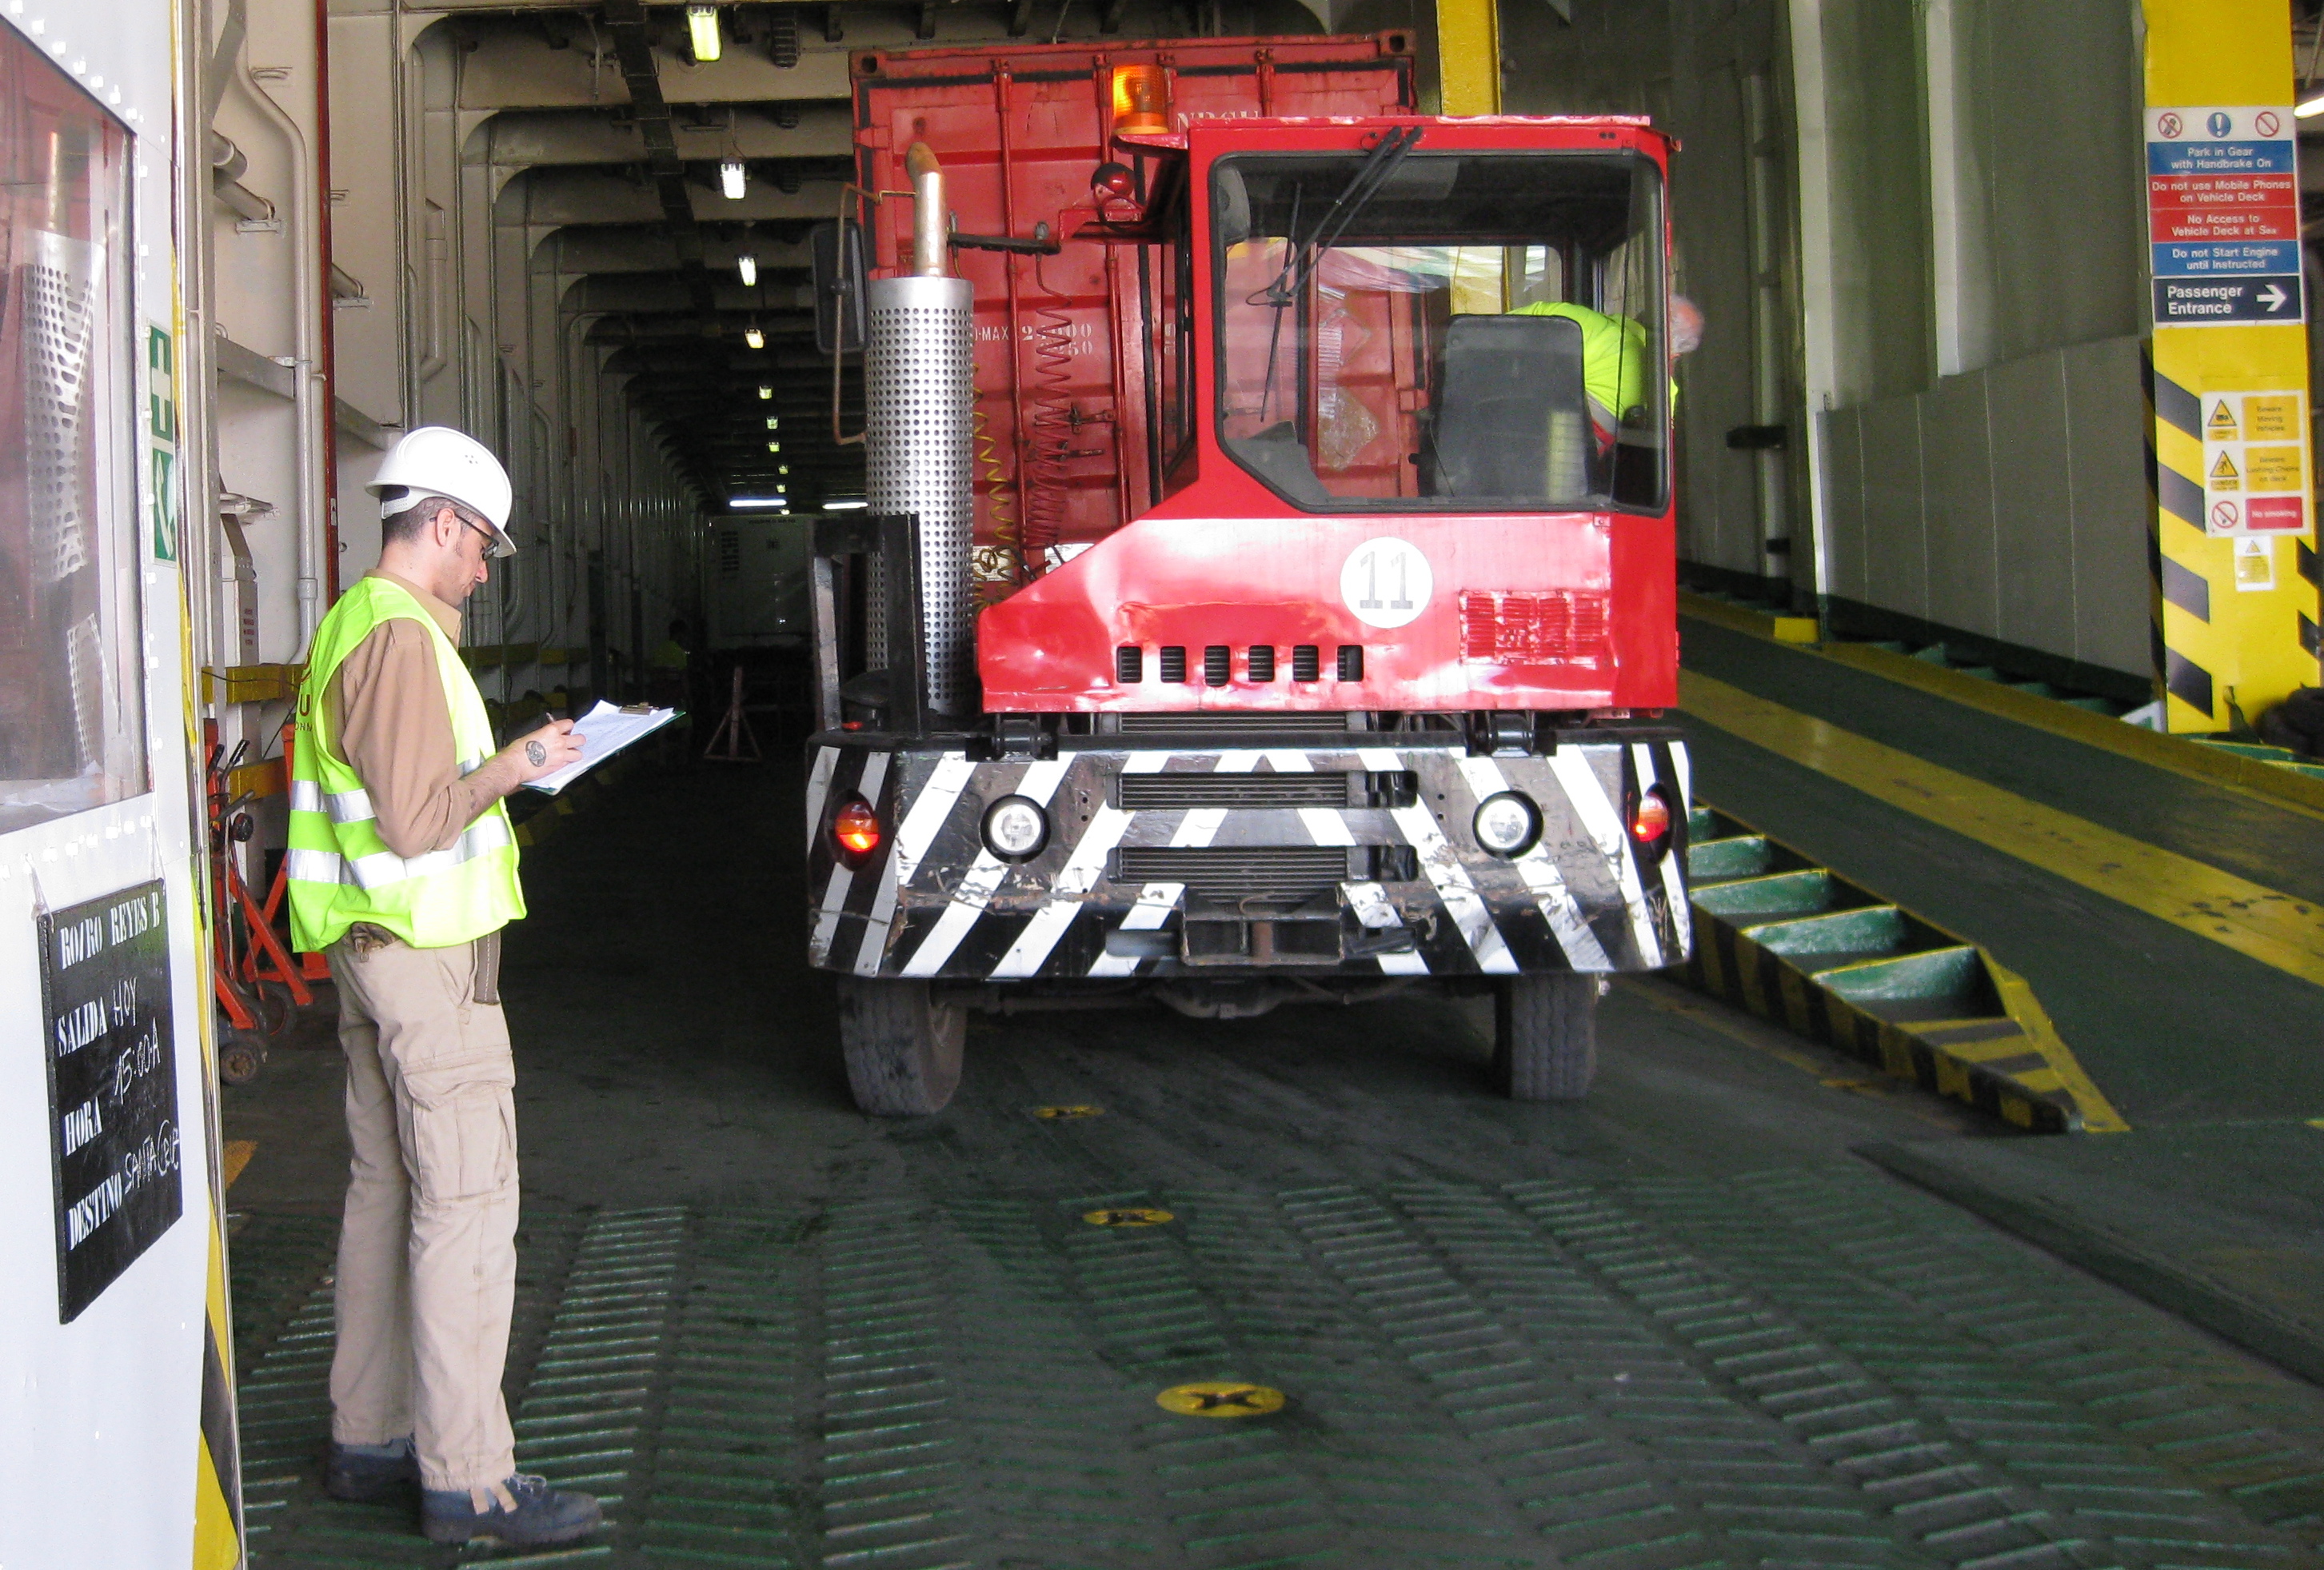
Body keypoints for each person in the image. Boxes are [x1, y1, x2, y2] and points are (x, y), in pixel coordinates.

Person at [283, 425, 602, 1548]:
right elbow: (420, 820)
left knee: (385, 1193)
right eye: (483, 547)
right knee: (466, 1209)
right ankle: (469, 1473)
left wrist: (508, 764)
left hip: (367, 960)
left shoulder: (349, 625)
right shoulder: (405, 637)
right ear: (447, 523)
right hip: (426, 965)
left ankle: (366, 1433)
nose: (484, 568)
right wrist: (517, 766)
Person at [1511, 293, 1703, 453]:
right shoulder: (1665, 395)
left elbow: (1489, 331)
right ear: (1676, 354)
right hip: (1564, 489)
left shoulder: (1576, 320)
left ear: (1645, 311)